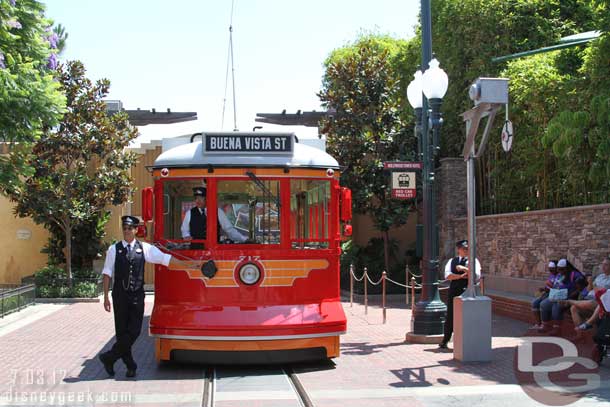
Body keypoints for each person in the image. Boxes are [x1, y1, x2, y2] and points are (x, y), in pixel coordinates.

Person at [99, 216, 201, 378]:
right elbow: (107, 273)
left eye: (130, 228)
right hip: (120, 296)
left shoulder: (144, 248)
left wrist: (189, 265)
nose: (127, 231)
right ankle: (130, 366)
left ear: (135, 230)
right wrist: (106, 297)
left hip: (137, 296)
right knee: (121, 332)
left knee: (134, 331)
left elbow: (166, 259)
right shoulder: (114, 249)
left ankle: (109, 357)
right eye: (124, 228)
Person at [439, 239, 481, 349]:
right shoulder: (452, 261)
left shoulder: (474, 261)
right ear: (459, 250)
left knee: (468, 315)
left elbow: (476, 276)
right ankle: (445, 340)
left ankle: (468, 340)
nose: (466, 250)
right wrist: (461, 276)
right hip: (454, 290)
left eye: (468, 248)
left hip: (468, 291)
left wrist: (465, 269)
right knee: (451, 315)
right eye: (464, 248)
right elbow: (448, 275)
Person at [180, 187, 247, 247]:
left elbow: (229, 230)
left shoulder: (218, 212)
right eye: (196, 198)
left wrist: (244, 239)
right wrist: (186, 236)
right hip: (195, 252)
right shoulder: (189, 213)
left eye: (201, 198)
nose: (197, 201)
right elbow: (184, 230)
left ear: (207, 199)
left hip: (213, 252)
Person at [538, 258, 583, 335]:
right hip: (557, 296)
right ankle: (546, 325)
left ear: (567, 268)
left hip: (569, 297)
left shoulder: (575, 275)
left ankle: (557, 329)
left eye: (562, 269)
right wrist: (551, 289)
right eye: (558, 269)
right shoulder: (560, 275)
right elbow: (556, 285)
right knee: (543, 304)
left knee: (556, 306)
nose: (560, 272)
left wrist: (568, 297)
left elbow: (579, 289)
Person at [531, 261, 558, 329]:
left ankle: (545, 325)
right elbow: (548, 286)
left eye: (552, 269)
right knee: (534, 303)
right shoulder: (551, 275)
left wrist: (550, 286)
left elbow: (558, 288)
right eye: (549, 269)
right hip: (547, 293)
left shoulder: (559, 276)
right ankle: (538, 324)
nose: (550, 270)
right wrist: (543, 289)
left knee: (543, 304)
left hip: (554, 295)